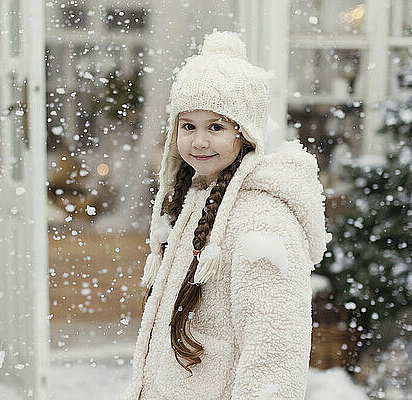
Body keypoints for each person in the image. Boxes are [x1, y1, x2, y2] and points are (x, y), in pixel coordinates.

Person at [121, 30, 332, 400]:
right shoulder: (196, 198)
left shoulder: (262, 218)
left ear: (244, 134)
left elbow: (275, 349)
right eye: (189, 126)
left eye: (215, 127)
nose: (199, 141)